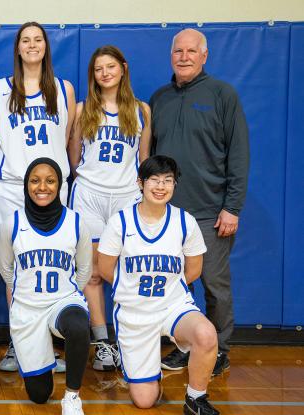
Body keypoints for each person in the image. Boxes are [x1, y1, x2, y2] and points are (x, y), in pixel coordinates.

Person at [150, 28, 249, 375]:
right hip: (168, 214)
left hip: (210, 213)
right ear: (171, 55)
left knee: (214, 285)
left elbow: (238, 154)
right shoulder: (159, 98)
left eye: (192, 51)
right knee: (177, 286)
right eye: (178, 51)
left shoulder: (223, 94)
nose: (184, 56)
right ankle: (187, 345)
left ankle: (218, 349)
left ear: (204, 56)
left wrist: (232, 207)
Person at [0, 21, 76, 373]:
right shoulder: (0, 89)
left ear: (45, 47)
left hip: (52, 188)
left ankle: (50, 343)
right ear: (18, 48)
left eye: (38, 39)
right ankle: (19, 341)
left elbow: (68, 138)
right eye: (26, 40)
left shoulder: (62, 89)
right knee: (14, 272)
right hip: (11, 188)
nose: (32, 45)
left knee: (53, 263)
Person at [97, 155, 220, 415]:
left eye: (168, 181)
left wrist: (170, 288)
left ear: (175, 185)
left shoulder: (185, 221)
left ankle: (195, 399)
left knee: (206, 335)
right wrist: (132, 290)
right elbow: (106, 269)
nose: (161, 186)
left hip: (172, 306)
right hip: (134, 313)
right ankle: (151, 377)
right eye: (154, 180)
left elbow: (194, 268)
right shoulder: (120, 222)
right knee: (144, 400)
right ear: (140, 183)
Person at [68, 45, 151, 371]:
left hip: (127, 196)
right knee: (93, 274)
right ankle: (102, 343)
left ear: (123, 68)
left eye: (110, 66)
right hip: (89, 194)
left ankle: (131, 339)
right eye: (99, 68)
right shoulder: (82, 109)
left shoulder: (141, 110)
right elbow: (74, 159)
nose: (105, 73)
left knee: (127, 271)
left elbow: (144, 160)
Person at [0, 158, 92, 415]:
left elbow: (84, 269)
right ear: (26, 184)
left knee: (78, 325)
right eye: (35, 180)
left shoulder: (75, 222)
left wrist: (69, 293)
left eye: (50, 181)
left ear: (59, 185)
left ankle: (72, 397)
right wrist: (25, 293)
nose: (43, 187)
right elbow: (6, 269)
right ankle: (44, 357)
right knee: (39, 396)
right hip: (28, 310)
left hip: (63, 301)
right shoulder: (12, 224)